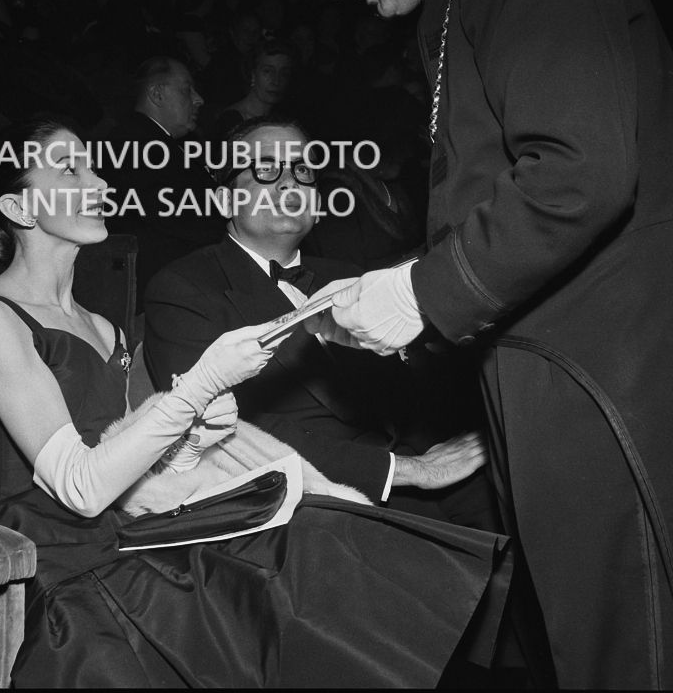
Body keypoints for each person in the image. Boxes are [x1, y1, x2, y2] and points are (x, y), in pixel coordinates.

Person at [293, 0, 673, 689]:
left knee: (630, 649)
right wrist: (400, 294)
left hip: (600, 372)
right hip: (548, 365)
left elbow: (580, 169)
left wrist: (421, 291)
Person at [0, 117, 513, 688]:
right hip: (50, 559)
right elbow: (80, 486)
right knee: (293, 563)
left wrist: (194, 438)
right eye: (70, 169)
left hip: (127, 531)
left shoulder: (102, 327)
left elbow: (134, 470)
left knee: (316, 539)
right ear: (19, 211)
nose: (99, 183)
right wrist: (198, 387)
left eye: (92, 164)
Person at [144, 117, 498, 527]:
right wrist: (407, 471)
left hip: (431, 466)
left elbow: (410, 390)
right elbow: (224, 433)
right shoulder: (181, 288)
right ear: (225, 202)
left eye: (302, 171)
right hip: (314, 500)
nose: (288, 183)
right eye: (266, 169)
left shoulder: (347, 273)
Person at [99, 57, 225, 308]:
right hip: (166, 295)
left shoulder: (158, 144)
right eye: (186, 89)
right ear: (157, 94)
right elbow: (181, 219)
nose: (198, 99)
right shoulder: (138, 145)